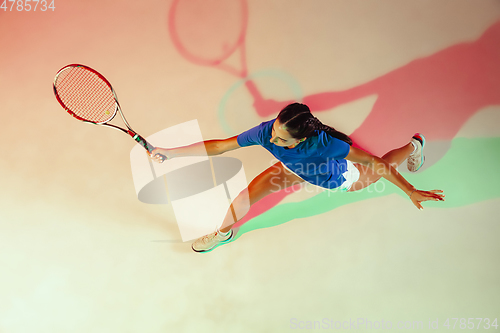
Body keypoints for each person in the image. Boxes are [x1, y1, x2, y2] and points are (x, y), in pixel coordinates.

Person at [151, 103, 445, 253]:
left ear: (301, 140)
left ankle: (413, 145)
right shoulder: (266, 131)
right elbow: (221, 145)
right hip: (293, 170)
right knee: (244, 197)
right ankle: (222, 233)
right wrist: (173, 154)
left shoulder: (329, 146)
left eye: (281, 138)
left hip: (339, 177)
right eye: (274, 130)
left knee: (380, 166)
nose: (271, 138)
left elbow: (373, 163)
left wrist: (409, 191)